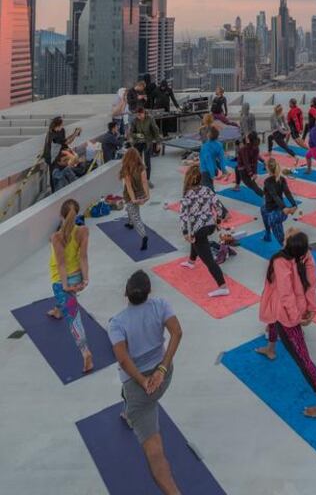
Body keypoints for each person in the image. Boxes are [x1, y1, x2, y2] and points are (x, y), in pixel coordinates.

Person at [109, 270, 182, 495]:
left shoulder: (117, 322)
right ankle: (127, 411)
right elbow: (177, 333)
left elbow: (122, 358)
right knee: (130, 399)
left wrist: (142, 380)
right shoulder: (161, 305)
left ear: (126, 293)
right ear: (149, 291)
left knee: (155, 454)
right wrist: (162, 368)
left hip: (141, 389)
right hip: (164, 377)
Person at [256, 231, 316, 418]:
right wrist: (311, 309)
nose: (288, 231)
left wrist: (296, 317)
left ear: (288, 245)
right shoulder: (306, 255)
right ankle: (271, 348)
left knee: (303, 359)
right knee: (273, 321)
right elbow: (311, 286)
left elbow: (286, 295)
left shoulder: (281, 261)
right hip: (288, 309)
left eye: (289, 233)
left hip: (288, 313)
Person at [48, 199, 93, 374]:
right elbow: (83, 257)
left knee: (74, 317)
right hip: (76, 278)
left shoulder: (56, 237)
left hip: (61, 281)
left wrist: (65, 286)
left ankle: (85, 353)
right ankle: (58, 310)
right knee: (65, 305)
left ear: (61, 215)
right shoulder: (83, 231)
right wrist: (86, 279)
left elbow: (60, 265)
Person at [178, 165, 229, 297]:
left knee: (209, 260)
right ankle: (191, 261)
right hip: (210, 226)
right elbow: (219, 207)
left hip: (199, 229)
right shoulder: (207, 190)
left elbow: (183, 216)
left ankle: (222, 286)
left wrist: (185, 233)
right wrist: (217, 222)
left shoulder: (187, 195)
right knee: (196, 239)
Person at [120, 147, 151, 251]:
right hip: (141, 194)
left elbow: (128, 186)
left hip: (130, 196)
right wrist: (147, 195)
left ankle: (144, 236)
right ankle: (130, 223)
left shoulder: (126, 168)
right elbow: (144, 182)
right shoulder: (141, 167)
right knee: (130, 209)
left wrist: (133, 199)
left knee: (136, 217)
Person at [262, 157, 298, 244]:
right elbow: (287, 193)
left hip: (275, 214)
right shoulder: (282, 179)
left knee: (281, 240)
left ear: (268, 168)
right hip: (279, 210)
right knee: (262, 209)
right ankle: (267, 234)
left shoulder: (267, 181)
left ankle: (288, 252)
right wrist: (294, 205)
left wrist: (284, 208)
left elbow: (274, 195)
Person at [43, 116, 81, 189]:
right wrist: (75, 134)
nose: (63, 126)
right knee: (54, 175)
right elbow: (67, 142)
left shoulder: (61, 130)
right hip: (52, 158)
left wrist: (74, 134)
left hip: (59, 156)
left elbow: (64, 141)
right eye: (62, 124)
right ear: (57, 125)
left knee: (64, 171)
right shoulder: (53, 135)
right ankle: (54, 190)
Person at [127, 106, 161, 185]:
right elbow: (131, 133)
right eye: (137, 115)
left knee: (147, 161)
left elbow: (156, 130)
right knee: (137, 161)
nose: (139, 117)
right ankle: (138, 180)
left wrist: (158, 142)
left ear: (144, 113)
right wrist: (138, 135)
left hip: (147, 142)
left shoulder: (150, 119)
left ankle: (147, 179)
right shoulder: (134, 121)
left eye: (140, 115)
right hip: (138, 142)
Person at [234, 131, 264, 198]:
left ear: (248, 139)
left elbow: (246, 162)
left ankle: (266, 197)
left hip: (244, 170)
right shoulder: (256, 147)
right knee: (236, 168)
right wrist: (255, 172)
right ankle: (237, 186)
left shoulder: (244, 149)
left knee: (253, 186)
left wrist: (251, 174)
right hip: (249, 168)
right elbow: (255, 161)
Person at [199, 125, 227, 191]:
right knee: (208, 187)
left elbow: (208, 161)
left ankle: (213, 199)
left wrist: (212, 175)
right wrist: (223, 171)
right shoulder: (219, 145)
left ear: (208, 135)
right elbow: (222, 159)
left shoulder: (205, 146)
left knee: (208, 190)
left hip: (206, 171)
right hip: (214, 170)